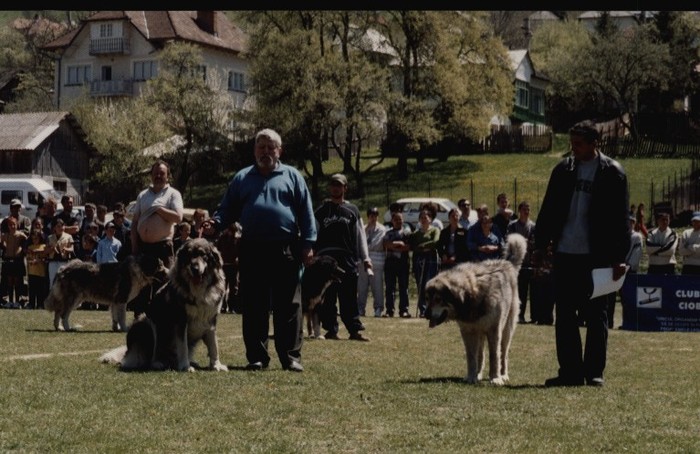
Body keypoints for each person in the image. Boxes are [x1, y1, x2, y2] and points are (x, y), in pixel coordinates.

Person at [205, 128, 316, 372]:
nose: (265, 152)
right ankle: (257, 357)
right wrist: (215, 223)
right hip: (252, 248)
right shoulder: (242, 178)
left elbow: (306, 212)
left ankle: (291, 357)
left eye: (270, 147)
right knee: (254, 304)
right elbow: (227, 209)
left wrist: (308, 243)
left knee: (289, 306)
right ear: (254, 150)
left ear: (279, 151)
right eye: (260, 147)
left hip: (285, 248)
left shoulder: (293, 176)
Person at [533, 120, 630, 387]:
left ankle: (594, 372)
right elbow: (549, 208)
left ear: (593, 143)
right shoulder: (564, 169)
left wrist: (620, 257)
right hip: (566, 252)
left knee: (597, 314)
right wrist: (540, 245)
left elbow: (621, 219)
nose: (573, 148)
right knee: (564, 314)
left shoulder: (613, 172)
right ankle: (570, 372)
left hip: (596, 256)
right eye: (572, 143)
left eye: (578, 144)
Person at [314, 173, 372, 340]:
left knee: (348, 297)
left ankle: (354, 330)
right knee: (328, 297)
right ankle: (331, 330)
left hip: (347, 259)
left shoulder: (352, 210)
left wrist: (366, 258)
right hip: (326, 261)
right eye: (332, 185)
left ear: (345, 188)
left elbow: (360, 235)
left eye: (339, 185)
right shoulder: (321, 211)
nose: (335, 188)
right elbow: (313, 233)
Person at [129, 160, 184, 317]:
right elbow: (134, 223)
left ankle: (165, 318)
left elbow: (178, 217)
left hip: (163, 247)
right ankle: (140, 320)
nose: (158, 176)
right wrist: (134, 246)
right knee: (142, 284)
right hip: (144, 247)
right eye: (155, 173)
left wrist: (158, 209)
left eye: (162, 173)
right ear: (151, 175)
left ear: (168, 176)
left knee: (166, 283)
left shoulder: (173, 194)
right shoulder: (143, 195)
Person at [507, 201, 536, 324]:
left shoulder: (533, 226)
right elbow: (508, 240)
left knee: (532, 291)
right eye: (524, 209)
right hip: (516, 263)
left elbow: (535, 241)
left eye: (528, 209)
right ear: (519, 211)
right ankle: (518, 315)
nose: (527, 211)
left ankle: (533, 316)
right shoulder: (513, 225)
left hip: (529, 262)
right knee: (519, 291)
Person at [408, 208, 440, 318]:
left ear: (430, 219)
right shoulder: (416, 233)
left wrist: (422, 246)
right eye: (421, 218)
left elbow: (435, 242)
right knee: (420, 284)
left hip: (430, 258)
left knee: (430, 284)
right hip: (419, 258)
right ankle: (422, 309)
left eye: (426, 217)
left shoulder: (435, 230)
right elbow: (412, 246)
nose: (423, 219)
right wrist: (422, 248)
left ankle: (431, 308)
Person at [614, 215, 644, 329]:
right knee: (620, 298)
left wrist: (629, 266)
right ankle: (614, 321)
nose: (630, 224)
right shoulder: (620, 235)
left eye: (632, 222)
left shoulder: (637, 236)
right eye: (628, 222)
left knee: (629, 298)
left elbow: (637, 254)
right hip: (618, 268)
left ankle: (629, 322)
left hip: (630, 271)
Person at [357, 207, 387, 318]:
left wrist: (366, 247)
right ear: (368, 216)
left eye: (375, 215)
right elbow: (359, 241)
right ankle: (360, 308)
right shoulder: (363, 228)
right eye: (371, 215)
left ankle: (378, 308)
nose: (373, 218)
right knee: (362, 286)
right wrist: (366, 229)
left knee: (377, 286)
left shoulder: (382, 229)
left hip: (377, 260)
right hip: (363, 261)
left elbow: (375, 243)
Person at [383, 211, 411, 318]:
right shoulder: (388, 233)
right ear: (392, 221)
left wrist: (393, 246)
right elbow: (385, 245)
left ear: (403, 220)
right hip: (390, 263)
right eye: (396, 219)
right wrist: (398, 244)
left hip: (403, 263)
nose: (398, 221)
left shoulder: (407, 233)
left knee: (404, 287)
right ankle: (389, 310)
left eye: (400, 219)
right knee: (390, 287)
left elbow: (408, 247)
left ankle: (404, 310)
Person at [0, 216, 28, 308]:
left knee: (17, 281)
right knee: (9, 282)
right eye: (10, 225)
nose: (12, 226)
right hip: (8, 260)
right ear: (8, 226)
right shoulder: (5, 235)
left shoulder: (21, 235)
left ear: (17, 225)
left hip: (17, 260)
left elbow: (27, 241)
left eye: (14, 225)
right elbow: (1, 242)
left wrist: (23, 250)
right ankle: (10, 301)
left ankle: (17, 301)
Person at [216, 222, 242, 314]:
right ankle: (222, 307)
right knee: (222, 287)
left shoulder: (238, 239)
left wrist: (238, 258)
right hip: (224, 265)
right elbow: (218, 249)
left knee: (233, 288)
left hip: (234, 266)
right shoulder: (222, 238)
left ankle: (232, 307)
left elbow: (241, 251)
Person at [47, 218, 75, 288]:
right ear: (54, 228)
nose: (60, 228)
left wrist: (66, 249)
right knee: (53, 281)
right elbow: (46, 251)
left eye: (62, 226)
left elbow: (72, 249)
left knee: (64, 280)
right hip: (53, 261)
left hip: (64, 261)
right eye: (58, 226)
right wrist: (51, 249)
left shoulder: (68, 237)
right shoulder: (50, 237)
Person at [26, 228, 49, 310]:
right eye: (33, 239)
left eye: (36, 238)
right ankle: (31, 304)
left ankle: (40, 305)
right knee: (32, 290)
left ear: (40, 238)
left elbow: (45, 258)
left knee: (40, 290)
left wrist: (38, 260)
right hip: (32, 272)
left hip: (41, 272)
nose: (34, 240)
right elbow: (28, 257)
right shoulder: (30, 247)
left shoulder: (44, 246)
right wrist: (30, 261)